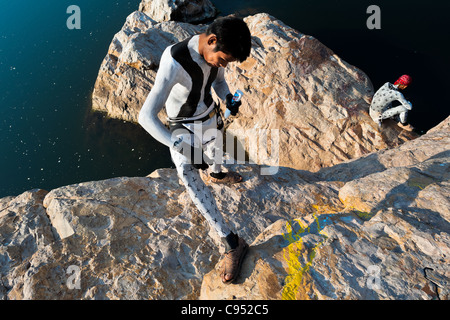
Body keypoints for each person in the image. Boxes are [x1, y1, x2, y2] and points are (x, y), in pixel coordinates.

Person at [138, 16, 252, 284]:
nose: (222, 65)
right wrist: (183, 148)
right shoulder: (174, 60)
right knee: (190, 179)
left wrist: (228, 99)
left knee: (216, 155)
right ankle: (231, 243)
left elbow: (219, 81)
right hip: (182, 131)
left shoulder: (215, 53)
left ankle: (217, 174)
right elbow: (146, 116)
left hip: (210, 118)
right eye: (223, 59)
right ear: (211, 41)